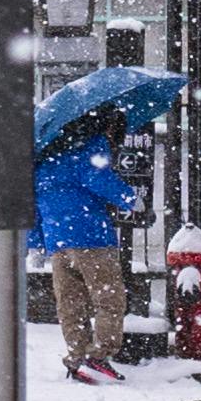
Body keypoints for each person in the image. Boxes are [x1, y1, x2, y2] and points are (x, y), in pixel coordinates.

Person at [36, 112, 138, 382]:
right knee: (109, 299)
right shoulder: (91, 146)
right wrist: (130, 197)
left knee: (71, 303)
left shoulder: (44, 158)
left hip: (57, 241)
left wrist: (37, 242)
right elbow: (97, 178)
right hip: (91, 236)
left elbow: (34, 203)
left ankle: (76, 357)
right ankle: (99, 356)